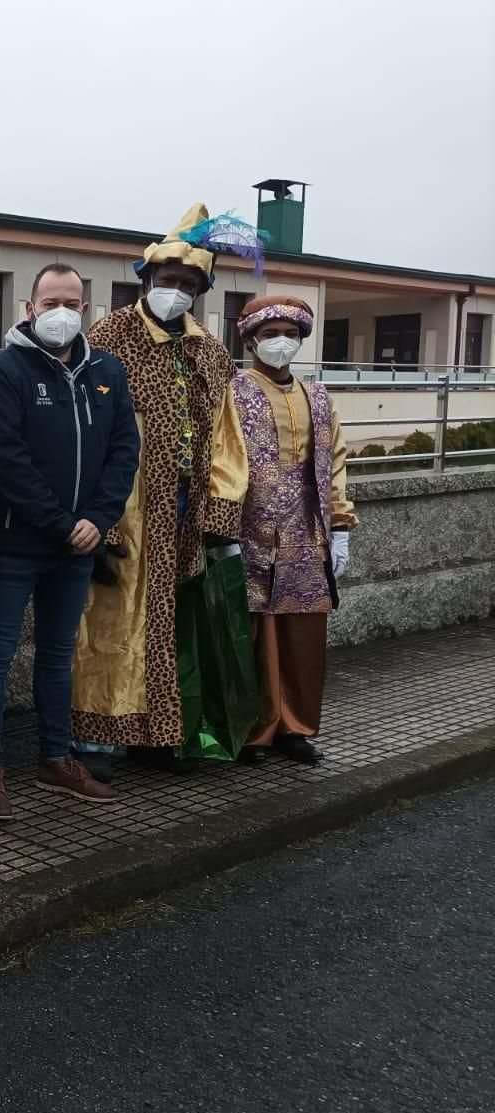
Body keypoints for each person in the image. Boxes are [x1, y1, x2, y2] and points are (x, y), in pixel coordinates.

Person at [73, 205, 260, 771]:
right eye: (166, 281)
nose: (174, 292)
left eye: (186, 284)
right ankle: (98, 736)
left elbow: (228, 439)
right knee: (114, 619)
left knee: (176, 621)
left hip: (186, 505)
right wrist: (96, 516)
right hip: (124, 505)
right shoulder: (110, 337)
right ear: (146, 281)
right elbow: (84, 430)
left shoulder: (210, 350)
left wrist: (220, 517)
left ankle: (162, 733)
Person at [0, 264, 140, 819]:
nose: (61, 312)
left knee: (58, 656)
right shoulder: (4, 370)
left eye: (72, 302)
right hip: (15, 543)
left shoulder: (107, 372)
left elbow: (123, 452)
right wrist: (61, 522)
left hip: (79, 544)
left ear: (85, 310)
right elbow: (6, 458)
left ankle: (52, 758)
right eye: (50, 302)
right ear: (30, 309)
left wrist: (97, 517)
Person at [230, 295, 355, 764]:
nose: (281, 343)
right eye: (269, 334)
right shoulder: (233, 393)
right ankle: (254, 729)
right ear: (250, 339)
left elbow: (336, 463)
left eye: (290, 334)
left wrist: (339, 526)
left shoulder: (319, 396)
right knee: (254, 632)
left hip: (306, 533)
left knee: (302, 633)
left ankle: (295, 727)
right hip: (250, 529)